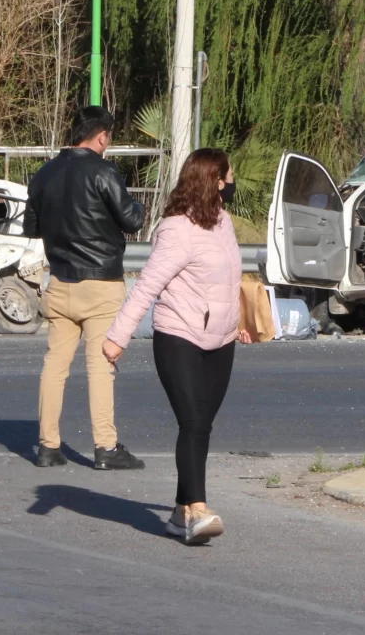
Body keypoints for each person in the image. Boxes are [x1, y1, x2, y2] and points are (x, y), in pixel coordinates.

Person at [103, 149, 250, 545]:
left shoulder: (224, 222)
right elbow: (147, 286)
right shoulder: (176, 229)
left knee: (202, 425)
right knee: (194, 421)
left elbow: (229, 278)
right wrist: (118, 337)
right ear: (215, 181)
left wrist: (241, 322)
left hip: (221, 338)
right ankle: (198, 510)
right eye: (229, 176)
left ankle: (179, 511)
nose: (233, 183)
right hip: (178, 336)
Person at [24, 106, 146, 470]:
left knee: (55, 366)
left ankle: (47, 446)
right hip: (101, 282)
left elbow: (32, 227)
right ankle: (106, 448)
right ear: (102, 136)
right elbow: (131, 219)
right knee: (101, 366)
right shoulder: (104, 171)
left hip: (59, 280)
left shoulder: (44, 173)